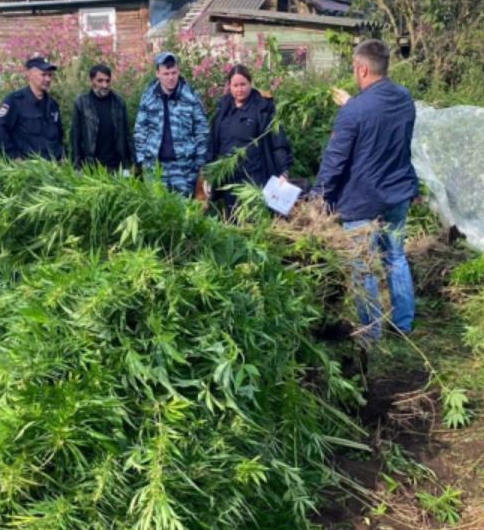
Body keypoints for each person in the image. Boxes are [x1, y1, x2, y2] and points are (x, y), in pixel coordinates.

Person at [312, 39, 419, 341]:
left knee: (362, 266)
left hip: (363, 200)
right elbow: (386, 129)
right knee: (395, 257)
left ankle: (371, 332)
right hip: (397, 194)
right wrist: (351, 104)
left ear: (361, 68)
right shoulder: (404, 98)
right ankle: (403, 324)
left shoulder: (355, 111)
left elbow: (335, 161)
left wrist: (316, 198)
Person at [206, 64, 292, 215]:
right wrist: (209, 173)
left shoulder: (263, 108)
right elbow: (214, 142)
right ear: (229, 86)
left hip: (254, 177)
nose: (240, 89)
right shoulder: (223, 109)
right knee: (232, 217)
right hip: (229, 177)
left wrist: (283, 171)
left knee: (254, 218)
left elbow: (277, 141)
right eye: (235, 85)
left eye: (243, 84)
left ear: (250, 83)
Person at [134, 51, 209, 196]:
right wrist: (142, 159)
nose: (170, 78)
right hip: (155, 167)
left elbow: (202, 131)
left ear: (178, 71)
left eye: (173, 73)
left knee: (183, 213)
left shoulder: (190, 96)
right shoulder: (148, 96)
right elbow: (140, 130)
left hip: (184, 169)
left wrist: (200, 164)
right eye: (166, 73)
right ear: (158, 73)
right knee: (156, 213)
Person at [0, 56, 64, 161]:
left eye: (50, 75)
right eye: (43, 75)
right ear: (30, 75)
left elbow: (58, 136)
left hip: (52, 170)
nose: (48, 79)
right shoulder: (15, 101)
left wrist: (61, 156)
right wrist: (13, 157)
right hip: (27, 170)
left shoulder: (53, 105)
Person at [71, 63, 134, 172]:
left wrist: (129, 163)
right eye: (100, 81)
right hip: (91, 167)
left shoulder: (119, 103)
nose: (105, 85)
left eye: (107, 81)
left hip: (115, 166)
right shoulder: (81, 103)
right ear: (91, 81)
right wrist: (77, 165)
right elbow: (75, 136)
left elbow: (126, 135)